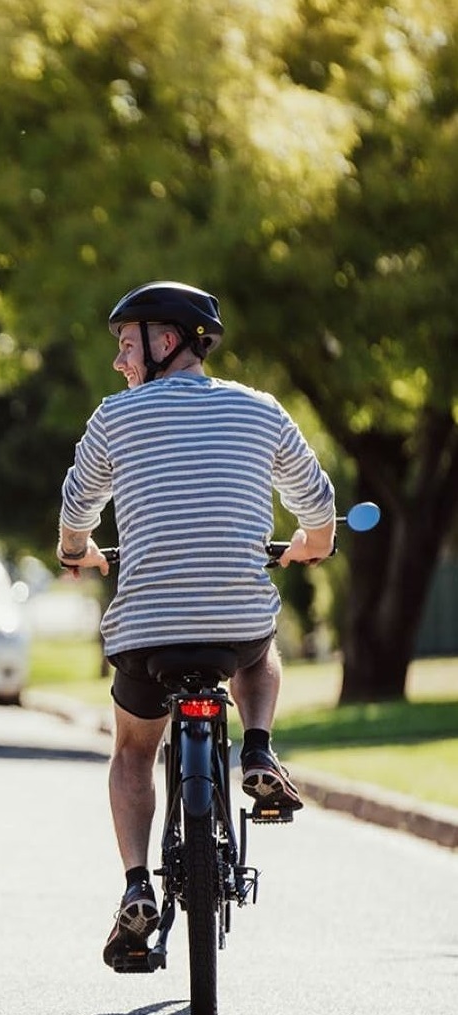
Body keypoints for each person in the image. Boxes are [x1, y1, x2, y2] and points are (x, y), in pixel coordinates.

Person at [56, 281, 335, 969]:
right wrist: (311, 542)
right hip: (233, 621)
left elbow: (75, 509)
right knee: (256, 648)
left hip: (145, 631)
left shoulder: (112, 420)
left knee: (130, 750)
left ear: (167, 339)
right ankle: (260, 748)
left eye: (126, 345)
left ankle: (134, 885)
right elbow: (317, 504)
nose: (120, 363)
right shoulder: (260, 411)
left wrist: (75, 552)